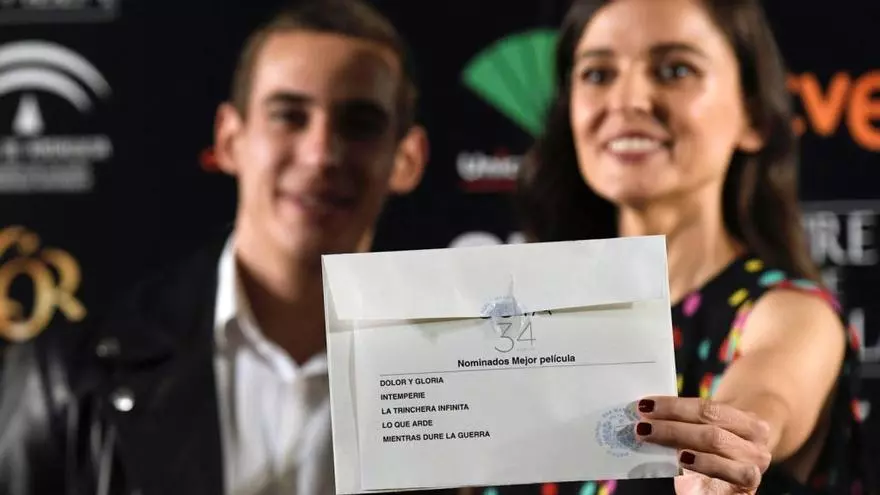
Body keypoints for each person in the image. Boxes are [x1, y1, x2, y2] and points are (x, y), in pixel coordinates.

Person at [0, 1, 431, 494]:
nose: (321, 154)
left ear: (408, 159)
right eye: (289, 116)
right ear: (229, 140)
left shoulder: (465, 379)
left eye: (360, 124)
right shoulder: (65, 377)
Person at [503, 0, 869, 494]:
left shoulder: (791, 315)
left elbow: (766, 400)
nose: (629, 100)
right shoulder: (526, 321)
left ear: (754, 116)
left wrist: (725, 447)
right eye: (598, 74)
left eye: (675, 70)